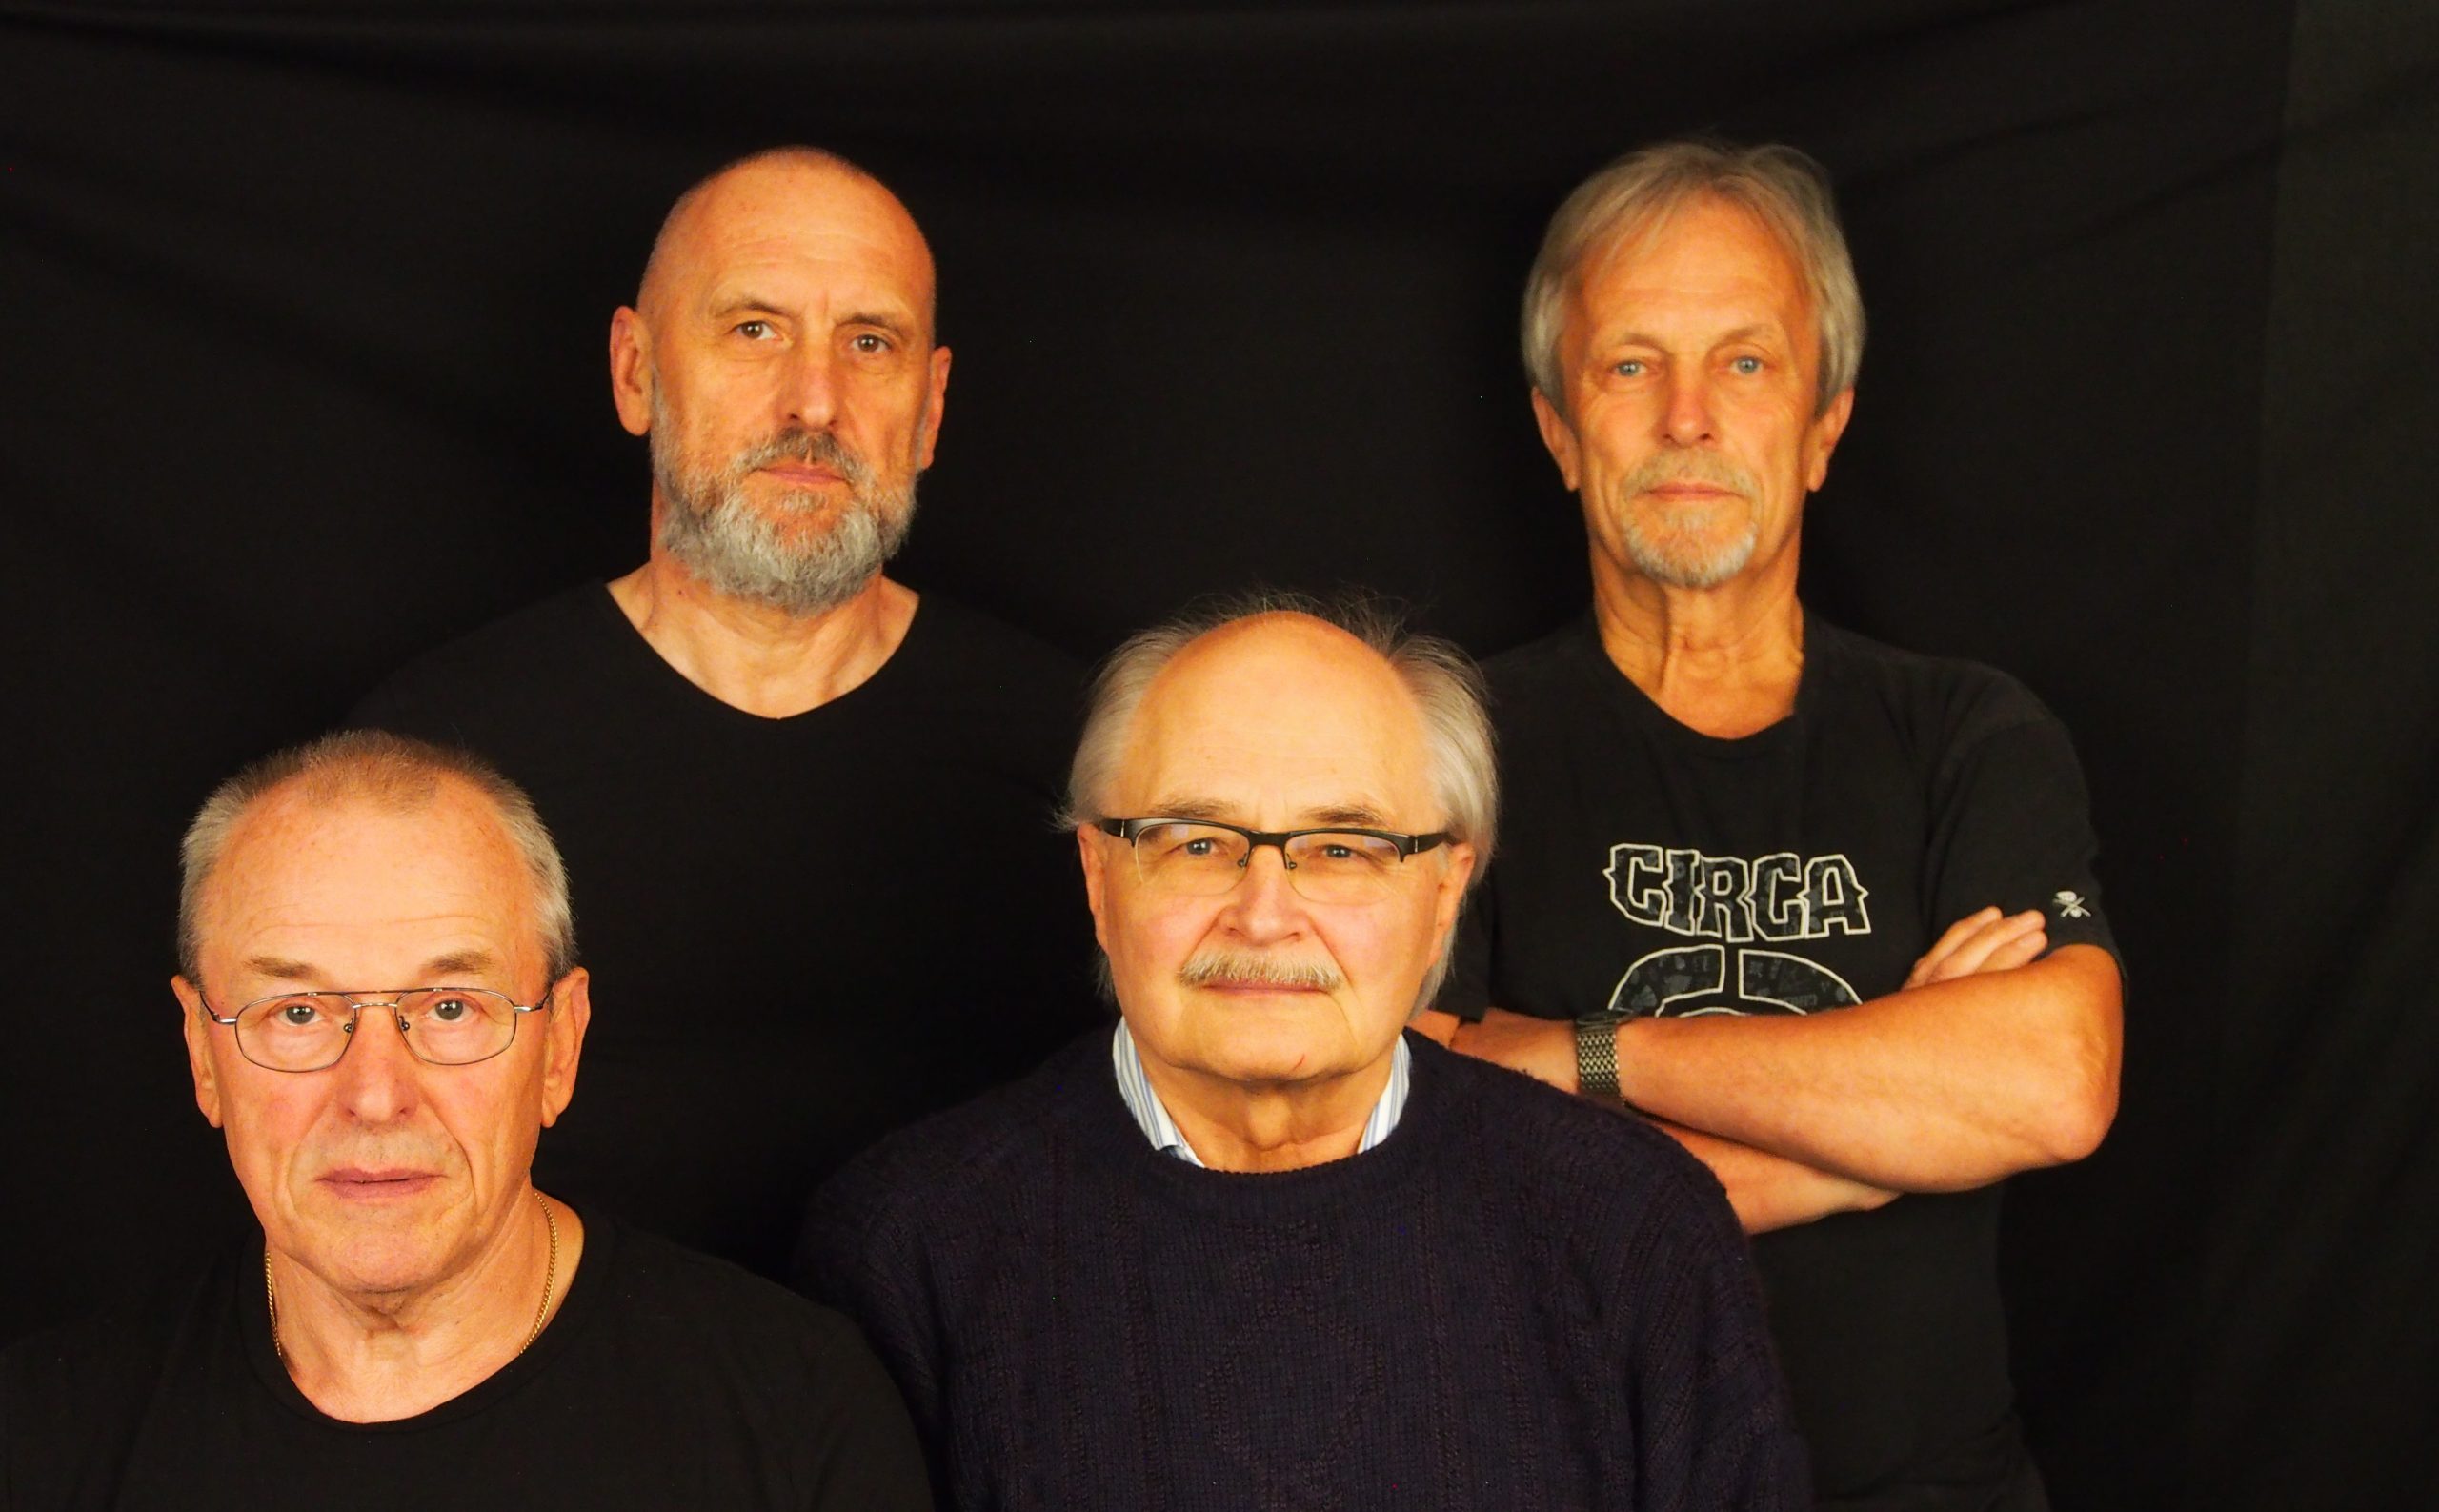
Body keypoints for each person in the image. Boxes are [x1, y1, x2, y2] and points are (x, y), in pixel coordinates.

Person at [1419, 139, 2125, 1510]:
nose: (1687, 417)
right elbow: (1416, 1151)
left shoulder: (1967, 733)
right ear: (1558, 429)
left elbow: (2053, 1081)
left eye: (1744, 362)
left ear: (1823, 426)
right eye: (1631, 364)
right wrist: (1870, 1144)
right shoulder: (1449, 750)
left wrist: (1582, 1055)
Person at [802, 598, 1809, 1511]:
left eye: (1342, 850)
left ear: (1444, 895)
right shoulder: (909, 1246)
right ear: (1100, 879)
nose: (1264, 914)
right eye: (1197, 842)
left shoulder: (1634, 1225)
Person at [351, 146, 1094, 1280]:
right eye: (754, 330)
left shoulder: (1083, 755)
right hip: (570, 1382)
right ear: (635, 372)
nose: (814, 401)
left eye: (870, 342)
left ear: (931, 408)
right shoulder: (431, 758)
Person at [0, 731, 930, 1509]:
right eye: (298, 1012)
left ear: (559, 1045)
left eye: (450, 1007)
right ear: (204, 1057)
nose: (374, 1095)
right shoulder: (43, 1437)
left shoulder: (799, 1416)